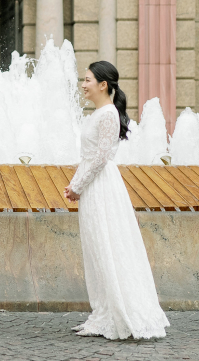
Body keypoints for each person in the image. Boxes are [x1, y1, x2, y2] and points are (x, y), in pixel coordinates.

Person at [63, 60, 169, 340]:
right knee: (96, 250)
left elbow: (102, 157)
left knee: (105, 247)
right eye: (83, 80)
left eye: (87, 80)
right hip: (92, 186)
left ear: (103, 85)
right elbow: (89, 157)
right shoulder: (99, 114)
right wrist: (75, 184)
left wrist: (78, 185)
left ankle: (113, 314)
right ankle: (100, 313)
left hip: (102, 189)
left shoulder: (108, 114)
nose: (83, 85)